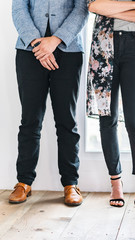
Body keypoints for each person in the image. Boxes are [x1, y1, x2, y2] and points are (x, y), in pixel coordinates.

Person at [9, 0, 88, 206]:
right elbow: (19, 8)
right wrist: (38, 44)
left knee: (67, 121)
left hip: (68, 51)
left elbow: (81, 8)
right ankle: (23, 182)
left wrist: (55, 41)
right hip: (29, 51)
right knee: (30, 120)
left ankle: (71, 183)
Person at [87, 0, 135, 207]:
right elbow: (94, 6)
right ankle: (115, 183)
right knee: (107, 120)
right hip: (103, 50)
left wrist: (113, 9)